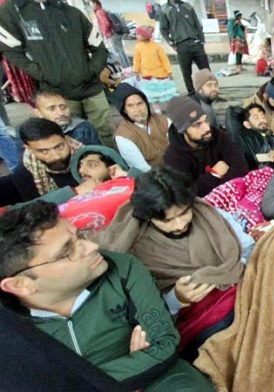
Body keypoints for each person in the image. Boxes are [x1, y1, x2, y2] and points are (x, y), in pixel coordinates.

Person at [0, 201, 216, 391]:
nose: (92, 246)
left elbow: (164, 344)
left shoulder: (121, 268)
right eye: (68, 250)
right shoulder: (9, 328)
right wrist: (131, 365)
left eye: (80, 235)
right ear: (20, 285)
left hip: (156, 378)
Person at [95, 166, 250, 360]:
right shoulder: (132, 250)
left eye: (184, 213)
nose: (179, 225)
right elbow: (142, 314)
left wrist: (236, 271)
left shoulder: (208, 214)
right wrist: (177, 299)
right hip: (198, 322)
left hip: (243, 291)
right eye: (167, 220)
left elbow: (247, 249)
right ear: (148, 216)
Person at [0, 0, 113, 148]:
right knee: (67, 139)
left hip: (91, 89)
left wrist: (91, 70)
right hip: (57, 93)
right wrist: (42, 73)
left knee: (105, 132)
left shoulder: (71, 12)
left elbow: (99, 47)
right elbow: (11, 51)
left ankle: (111, 163)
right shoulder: (12, 11)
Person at [164, 96, 249, 197]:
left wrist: (212, 187)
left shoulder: (218, 136)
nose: (206, 128)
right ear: (183, 130)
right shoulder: (174, 156)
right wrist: (214, 174)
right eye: (197, 124)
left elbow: (242, 168)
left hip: (233, 194)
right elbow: (187, 194)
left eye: (206, 120)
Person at [0, 119, 86, 207]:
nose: (56, 156)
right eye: (44, 151)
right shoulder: (24, 174)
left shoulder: (87, 155)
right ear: (29, 148)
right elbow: (36, 210)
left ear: (66, 139)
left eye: (59, 147)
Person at [112, 84, 169, 172]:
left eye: (140, 103)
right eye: (130, 106)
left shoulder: (162, 120)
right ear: (124, 110)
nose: (138, 109)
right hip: (153, 178)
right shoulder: (123, 136)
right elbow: (142, 168)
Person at [159, 0, 210, 95]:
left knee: (206, 70)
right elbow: (163, 29)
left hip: (196, 43)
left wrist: (201, 41)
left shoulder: (187, 6)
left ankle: (211, 92)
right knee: (186, 72)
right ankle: (192, 93)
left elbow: (197, 25)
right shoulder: (164, 10)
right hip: (181, 44)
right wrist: (171, 43)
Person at [132, 25, 177, 113]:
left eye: (138, 34)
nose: (136, 36)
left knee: (165, 93)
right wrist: (136, 71)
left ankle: (170, 109)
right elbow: (136, 60)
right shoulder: (138, 47)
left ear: (144, 35)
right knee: (151, 95)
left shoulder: (156, 46)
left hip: (160, 74)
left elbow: (164, 59)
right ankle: (157, 110)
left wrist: (169, 72)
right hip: (147, 76)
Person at [34, 91, 102, 146]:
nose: (61, 113)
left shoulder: (83, 128)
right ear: (38, 113)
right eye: (51, 109)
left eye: (63, 107)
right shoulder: (31, 133)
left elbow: (99, 156)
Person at [236, 103, 274, 169]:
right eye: (256, 118)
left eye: (263, 117)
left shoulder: (271, 135)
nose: (262, 120)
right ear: (247, 124)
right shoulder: (247, 138)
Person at [91, 0, 130, 69]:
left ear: (95, 3)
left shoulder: (99, 12)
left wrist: (106, 33)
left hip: (112, 33)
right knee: (121, 50)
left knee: (117, 52)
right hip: (117, 32)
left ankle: (124, 68)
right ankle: (128, 66)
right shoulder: (104, 10)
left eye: (92, 4)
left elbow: (105, 23)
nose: (91, 6)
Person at [227, 10, 247, 76]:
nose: (240, 17)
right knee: (238, 53)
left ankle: (240, 65)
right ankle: (238, 67)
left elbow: (242, 29)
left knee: (241, 52)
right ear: (237, 16)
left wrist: (242, 25)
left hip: (241, 39)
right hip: (236, 39)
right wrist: (235, 24)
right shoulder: (232, 22)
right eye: (239, 16)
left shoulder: (240, 22)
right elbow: (231, 30)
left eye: (241, 15)